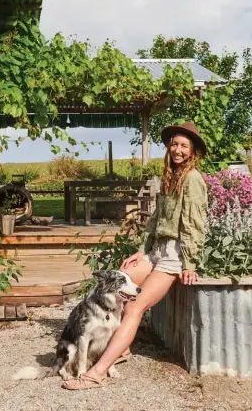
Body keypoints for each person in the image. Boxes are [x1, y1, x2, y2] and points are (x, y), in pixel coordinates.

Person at [62, 121, 208, 390]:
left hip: (175, 255)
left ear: (192, 151)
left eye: (183, 146)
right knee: (120, 280)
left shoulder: (192, 179)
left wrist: (189, 264)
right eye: (174, 144)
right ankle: (121, 347)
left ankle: (97, 373)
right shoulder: (171, 176)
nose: (177, 149)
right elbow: (156, 219)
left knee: (134, 307)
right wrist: (142, 251)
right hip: (157, 250)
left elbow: (194, 224)